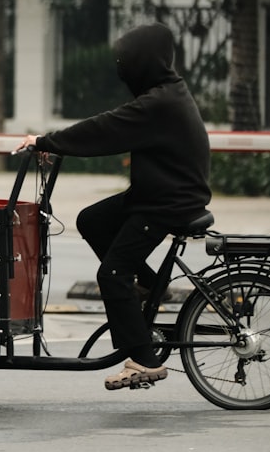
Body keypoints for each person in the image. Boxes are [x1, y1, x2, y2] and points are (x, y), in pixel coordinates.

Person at [16, 23, 211, 390]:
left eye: (126, 60)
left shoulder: (159, 103)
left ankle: (143, 358)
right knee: (92, 220)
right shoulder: (165, 94)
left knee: (111, 274)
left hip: (167, 203)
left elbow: (105, 129)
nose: (122, 67)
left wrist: (45, 140)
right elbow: (112, 127)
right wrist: (55, 145)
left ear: (144, 62)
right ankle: (149, 284)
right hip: (159, 195)